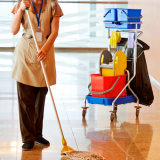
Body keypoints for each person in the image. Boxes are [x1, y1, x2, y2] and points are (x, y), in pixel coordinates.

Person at [10, 0, 63, 151]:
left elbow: (54, 32)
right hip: (26, 52)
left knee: (40, 97)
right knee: (25, 99)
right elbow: (13, 30)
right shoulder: (22, 2)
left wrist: (45, 49)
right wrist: (20, 10)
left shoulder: (53, 5)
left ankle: (37, 134)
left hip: (44, 52)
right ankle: (28, 137)